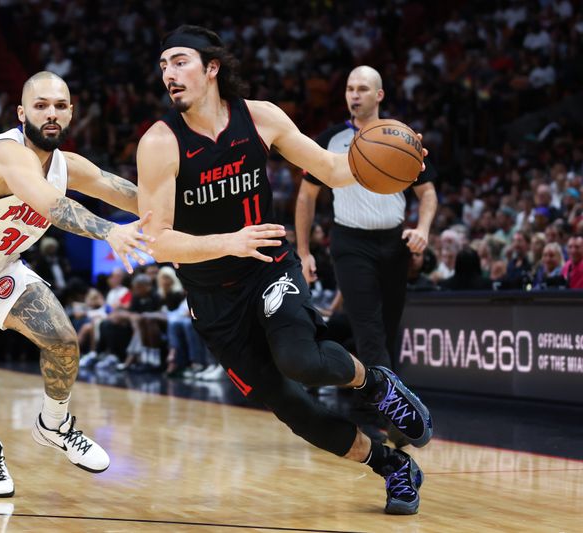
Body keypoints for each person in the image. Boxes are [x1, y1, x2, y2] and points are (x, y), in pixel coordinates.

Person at [137, 25, 432, 515]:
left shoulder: (261, 117)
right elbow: (158, 241)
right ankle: (392, 466)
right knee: (298, 413)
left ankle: (376, 385)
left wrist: (393, 159)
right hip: (214, 300)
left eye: (180, 61)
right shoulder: (161, 143)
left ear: (212, 68)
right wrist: (227, 241)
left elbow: (333, 170)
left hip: (270, 269)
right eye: (164, 64)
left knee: (301, 359)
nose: (169, 72)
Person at [0, 71, 152, 498]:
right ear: (22, 113)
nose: (50, 113)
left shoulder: (67, 165)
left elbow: (127, 193)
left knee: (63, 341)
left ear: (71, 113)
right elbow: (53, 205)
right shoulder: (5, 155)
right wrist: (110, 232)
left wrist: (193, 208)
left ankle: (54, 425)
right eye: (40, 105)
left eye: (59, 105)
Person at [295, 65, 438, 370]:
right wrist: (304, 252)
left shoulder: (402, 137)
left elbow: (427, 193)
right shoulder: (330, 139)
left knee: (388, 328)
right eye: (350, 89)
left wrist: (423, 229)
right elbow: (307, 195)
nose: (354, 95)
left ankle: (372, 404)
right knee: (368, 328)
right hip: (350, 242)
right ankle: (389, 409)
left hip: (394, 242)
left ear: (379, 95)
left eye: (362, 89)